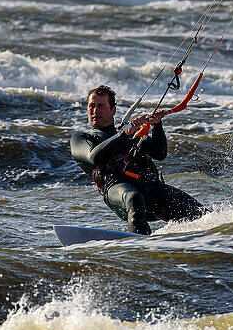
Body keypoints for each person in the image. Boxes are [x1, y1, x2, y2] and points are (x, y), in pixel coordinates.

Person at [71, 85, 206, 235]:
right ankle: (141, 248)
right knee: (134, 197)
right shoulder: (81, 138)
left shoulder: (130, 135)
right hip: (118, 190)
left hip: (149, 187)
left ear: (113, 110)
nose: (95, 110)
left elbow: (159, 153)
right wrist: (126, 133)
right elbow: (94, 157)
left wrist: (157, 125)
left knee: (199, 213)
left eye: (101, 106)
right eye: (91, 106)